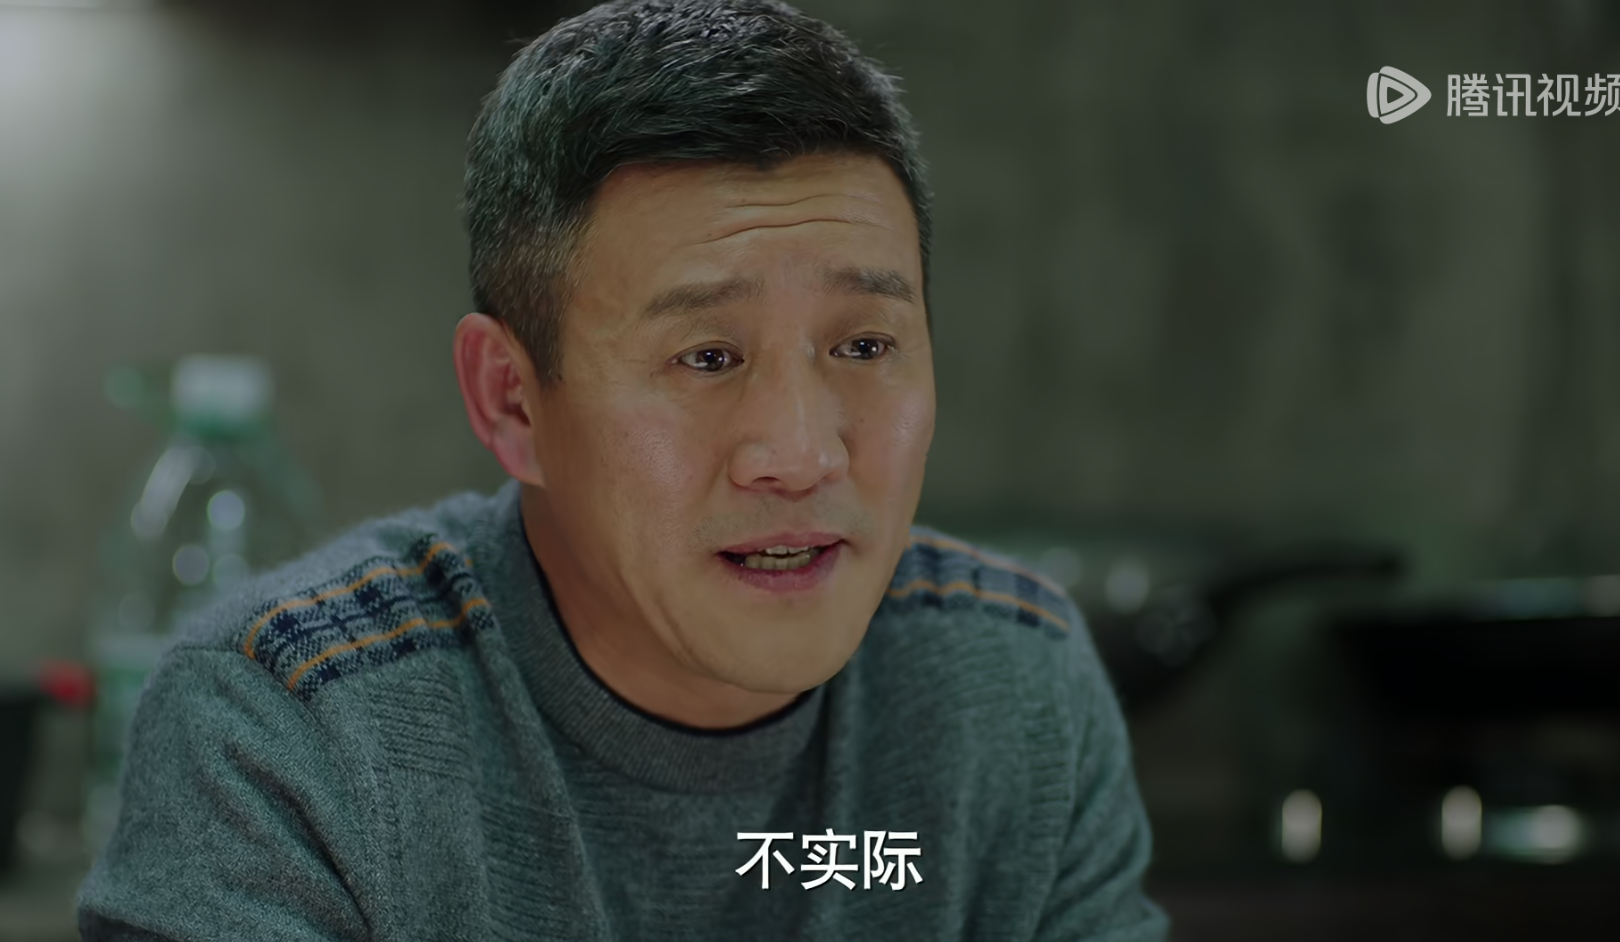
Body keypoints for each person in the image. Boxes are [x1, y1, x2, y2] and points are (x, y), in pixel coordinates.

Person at [77, 1, 1168, 938]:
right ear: (512, 402)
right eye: (706, 358)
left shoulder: (1014, 688)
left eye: (866, 345)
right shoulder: (289, 733)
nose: (801, 455)